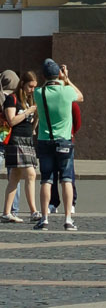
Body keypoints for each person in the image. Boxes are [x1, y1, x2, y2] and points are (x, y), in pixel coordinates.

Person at [33, 60, 81, 231]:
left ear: (44, 76)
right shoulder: (67, 91)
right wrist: (66, 78)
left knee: (46, 179)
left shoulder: (39, 92)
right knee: (66, 179)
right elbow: (80, 96)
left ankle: (44, 218)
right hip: (65, 141)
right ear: (58, 74)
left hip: (45, 141)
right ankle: (68, 219)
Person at [1, 71, 38, 226]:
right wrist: (28, 112)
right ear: (22, 83)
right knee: (31, 174)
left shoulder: (29, 100)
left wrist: (35, 119)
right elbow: (12, 120)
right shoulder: (12, 99)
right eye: (30, 86)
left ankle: (6, 213)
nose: (32, 90)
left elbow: (31, 123)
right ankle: (34, 211)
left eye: (35, 87)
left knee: (15, 177)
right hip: (16, 140)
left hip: (27, 140)